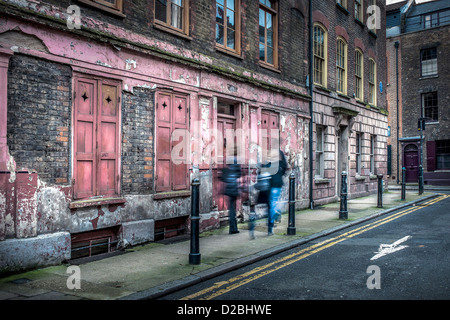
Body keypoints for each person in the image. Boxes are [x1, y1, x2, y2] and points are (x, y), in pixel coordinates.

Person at [266, 149, 288, 235]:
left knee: (272, 206)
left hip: (274, 187)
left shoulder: (270, 164)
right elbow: (284, 168)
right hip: (272, 187)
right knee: (272, 206)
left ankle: (270, 228)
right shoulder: (279, 164)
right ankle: (276, 214)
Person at [221, 149, 241, 234]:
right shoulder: (236, 163)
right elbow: (239, 174)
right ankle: (233, 229)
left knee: (231, 208)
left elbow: (224, 177)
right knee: (233, 209)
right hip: (233, 188)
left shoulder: (229, 163)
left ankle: (232, 228)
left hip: (229, 188)